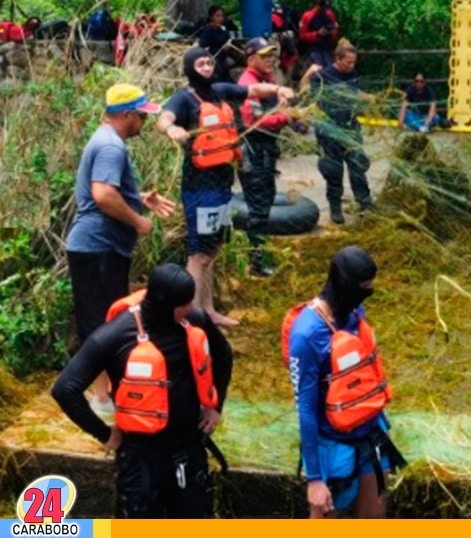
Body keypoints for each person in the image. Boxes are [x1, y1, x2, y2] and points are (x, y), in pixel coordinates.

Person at [52, 263, 234, 518]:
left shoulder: (194, 321)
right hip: (141, 459)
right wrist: (104, 434)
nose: (191, 308)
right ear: (166, 305)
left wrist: (216, 406)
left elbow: (223, 356)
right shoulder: (114, 336)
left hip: (188, 449)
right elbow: (65, 389)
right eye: (185, 304)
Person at [156, 46, 295, 327]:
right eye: (200, 64)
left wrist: (279, 90)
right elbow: (164, 118)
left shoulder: (220, 90)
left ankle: (208, 310)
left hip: (222, 185)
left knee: (213, 250)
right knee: (199, 255)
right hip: (199, 187)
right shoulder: (183, 100)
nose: (206, 67)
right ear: (190, 69)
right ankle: (193, 318)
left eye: (209, 62)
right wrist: (172, 130)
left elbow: (254, 90)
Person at [65, 83, 176, 416]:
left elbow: (103, 191)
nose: (143, 122)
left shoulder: (105, 139)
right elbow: (101, 195)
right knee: (101, 325)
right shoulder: (112, 146)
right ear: (126, 115)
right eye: (141, 115)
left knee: (106, 320)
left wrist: (138, 199)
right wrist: (137, 221)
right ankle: (101, 399)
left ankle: (106, 392)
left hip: (99, 248)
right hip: (97, 248)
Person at [287, 246, 406, 518]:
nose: (369, 292)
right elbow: (304, 409)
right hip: (332, 444)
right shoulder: (307, 335)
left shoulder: (355, 312)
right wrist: (315, 479)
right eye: (364, 287)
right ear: (345, 285)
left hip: (370, 433)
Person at [238, 38, 309, 277]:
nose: (270, 59)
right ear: (251, 59)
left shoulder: (267, 81)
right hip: (254, 154)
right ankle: (255, 261)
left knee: (265, 203)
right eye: (264, 55)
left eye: (272, 55)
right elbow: (256, 122)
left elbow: (280, 110)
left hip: (267, 153)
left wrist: (296, 121)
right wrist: (286, 119)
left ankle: (259, 252)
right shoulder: (248, 84)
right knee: (258, 209)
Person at [301, 41, 373, 225]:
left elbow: (355, 93)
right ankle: (335, 207)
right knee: (333, 169)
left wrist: (367, 99)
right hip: (329, 129)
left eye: (354, 62)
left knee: (358, 166)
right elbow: (309, 94)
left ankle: (365, 204)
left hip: (350, 127)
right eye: (348, 62)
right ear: (338, 59)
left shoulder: (352, 74)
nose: (351, 66)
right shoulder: (322, 76)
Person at [197, 5, 234, 83]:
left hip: (223, 61)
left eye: (222, 16)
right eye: (217, 16)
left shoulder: (223, 29)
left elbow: (228, 40)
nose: (220, 18)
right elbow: (202, 46)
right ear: (211, 17)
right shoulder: (208, 30)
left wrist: (228, 47)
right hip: (213, 60)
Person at [299, 0, 340, 68]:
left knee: (330, 69)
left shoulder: (329, 14)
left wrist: (332, 31)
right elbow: (302, 36)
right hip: (314, 48)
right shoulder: (308, 16)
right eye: (323, 8)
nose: (324, 10)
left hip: (328, 47)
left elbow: (335, 30)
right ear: (318, 5)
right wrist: (317, 34)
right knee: (318, 69)